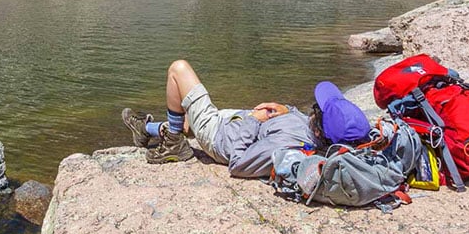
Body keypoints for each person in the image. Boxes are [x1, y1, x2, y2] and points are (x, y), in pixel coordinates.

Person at [122, 60, 371, 177]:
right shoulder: (318, 133)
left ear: (319, 130)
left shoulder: (285, 144)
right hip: (233, 122)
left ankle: (173, 144)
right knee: (186, 118)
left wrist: (253, 120)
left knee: (178, 70)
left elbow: (238, 165)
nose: (315, 108)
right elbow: (300, 120)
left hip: (219, 136)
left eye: (319, 109)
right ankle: (146, 129)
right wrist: (286, 109)